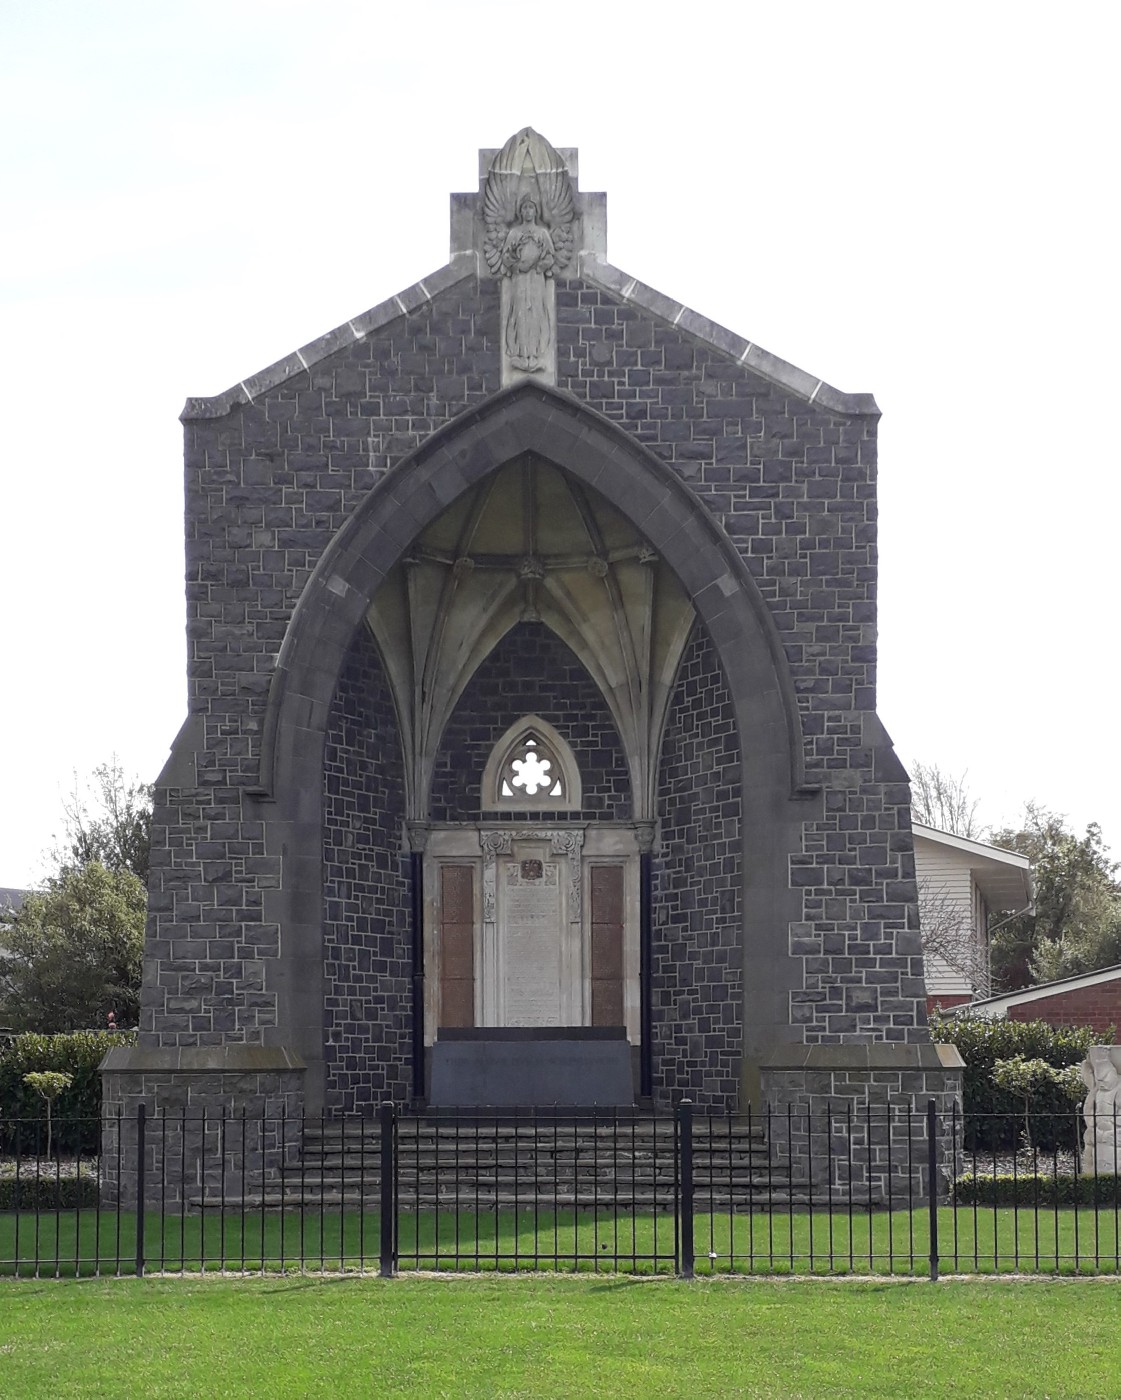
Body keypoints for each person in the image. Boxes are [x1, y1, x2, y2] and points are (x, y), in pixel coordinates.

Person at [500, 196, 556, 372]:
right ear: (520, 211)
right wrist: (517, 265)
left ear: (536, 210)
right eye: (524, 208)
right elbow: (506, 256)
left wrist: (537, 265)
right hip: (519, 280)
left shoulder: (542, 233)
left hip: (537, 279)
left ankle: (535, 356)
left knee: (536, 314)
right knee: (520, 314)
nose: (527, 211)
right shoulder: (515, 233)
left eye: (531, 207)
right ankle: (522, 355)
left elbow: (550, 256)